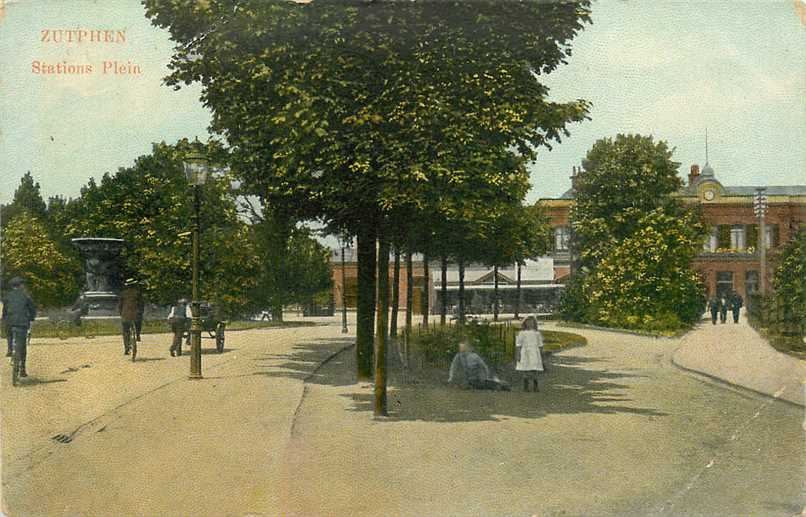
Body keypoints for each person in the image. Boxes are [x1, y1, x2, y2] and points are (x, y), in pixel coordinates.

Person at [1, 277, 37, 378]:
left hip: (9, 322)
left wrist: (4, 320)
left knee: (9, 335)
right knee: (22, 346)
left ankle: (9, 349)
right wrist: (32, 318)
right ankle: (22, 369)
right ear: (21, 285)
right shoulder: (26, 297)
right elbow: (32, 310)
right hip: (21, 323)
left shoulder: (7, 297)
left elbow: (4, 311)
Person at [516, 316, 545, 392]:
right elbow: (518, 345)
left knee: (534, 368)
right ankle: (526, 386)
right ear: (525, 323)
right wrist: (518, 354)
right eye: (528, 322)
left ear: (534, 323)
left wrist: (542, 354)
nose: (530, 324)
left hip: (534, 352)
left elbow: (540, 345)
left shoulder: (537, 333)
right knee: (525, 368)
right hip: (525, 352)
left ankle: (535, 385)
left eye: (531, 322)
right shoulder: (522, 333)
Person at [118, 278, 144, 355]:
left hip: (125, 314)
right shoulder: (138, 293)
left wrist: (121, 313)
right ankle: (138, 335)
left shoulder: (123, 294)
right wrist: (141, 312)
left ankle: (126, 348)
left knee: (126, 331)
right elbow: (141, 304)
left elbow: (120, 306)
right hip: (136, 314)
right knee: (138, 322)